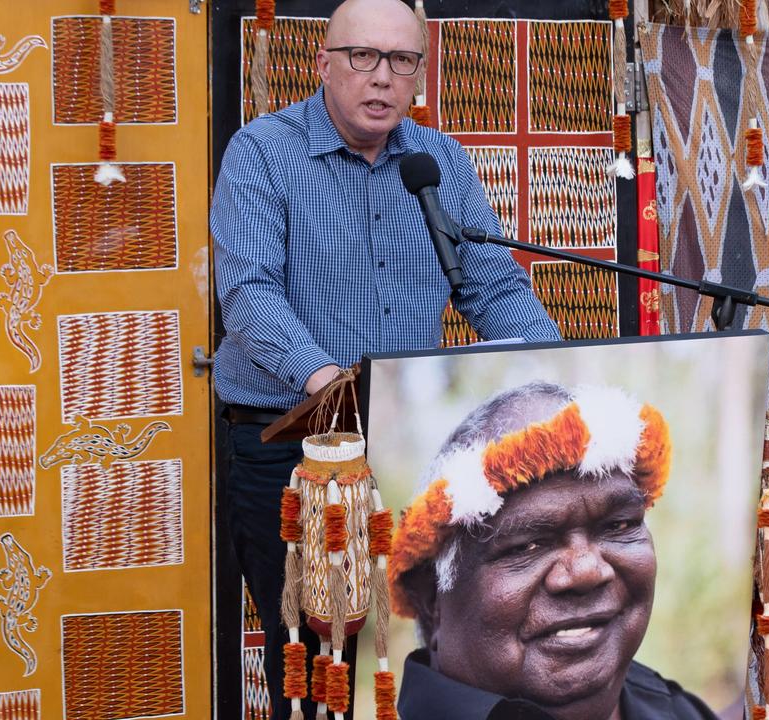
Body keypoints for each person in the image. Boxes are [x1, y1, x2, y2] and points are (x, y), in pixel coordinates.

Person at [210, 0, 561, 716]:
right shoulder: (261, 152)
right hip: (291, 450)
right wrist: (331, 386)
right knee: (316, 669)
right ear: (324, 64)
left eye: (402, 62)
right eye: (363, 57)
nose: (382, 79)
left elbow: (492, 285)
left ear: (419, 75)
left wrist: (555, 378)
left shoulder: (440, 164)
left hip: (403, 444)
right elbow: (247, 294)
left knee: (405, 655)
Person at [388, 382, 717, 720]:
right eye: (527, 546)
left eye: (618, 526)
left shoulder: (682, 711)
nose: (588, 570)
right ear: (432, 600)